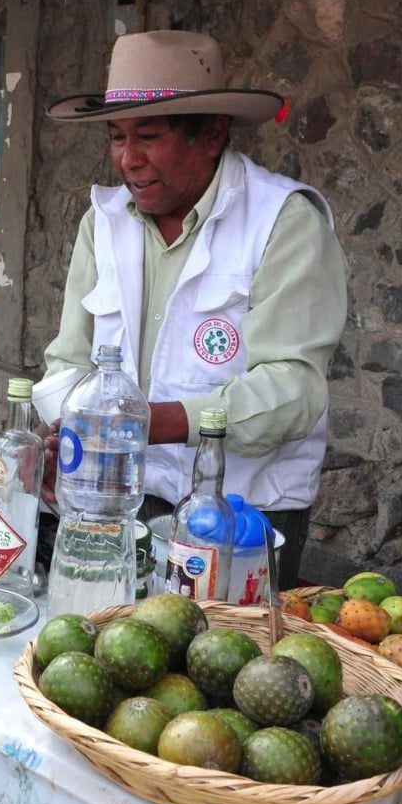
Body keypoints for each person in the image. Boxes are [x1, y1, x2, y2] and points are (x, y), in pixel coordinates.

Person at [40, 30, 347, 589]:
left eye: (148, 137)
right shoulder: (102, 224)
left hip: (243, 518)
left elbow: (294, 390)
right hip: (119, 507)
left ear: (211, 134)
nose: (128, 161)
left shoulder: (283, 222)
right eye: (116, 138)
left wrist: (152, 422)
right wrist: (68, 442)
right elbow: (68, 361)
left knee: (222, 668)